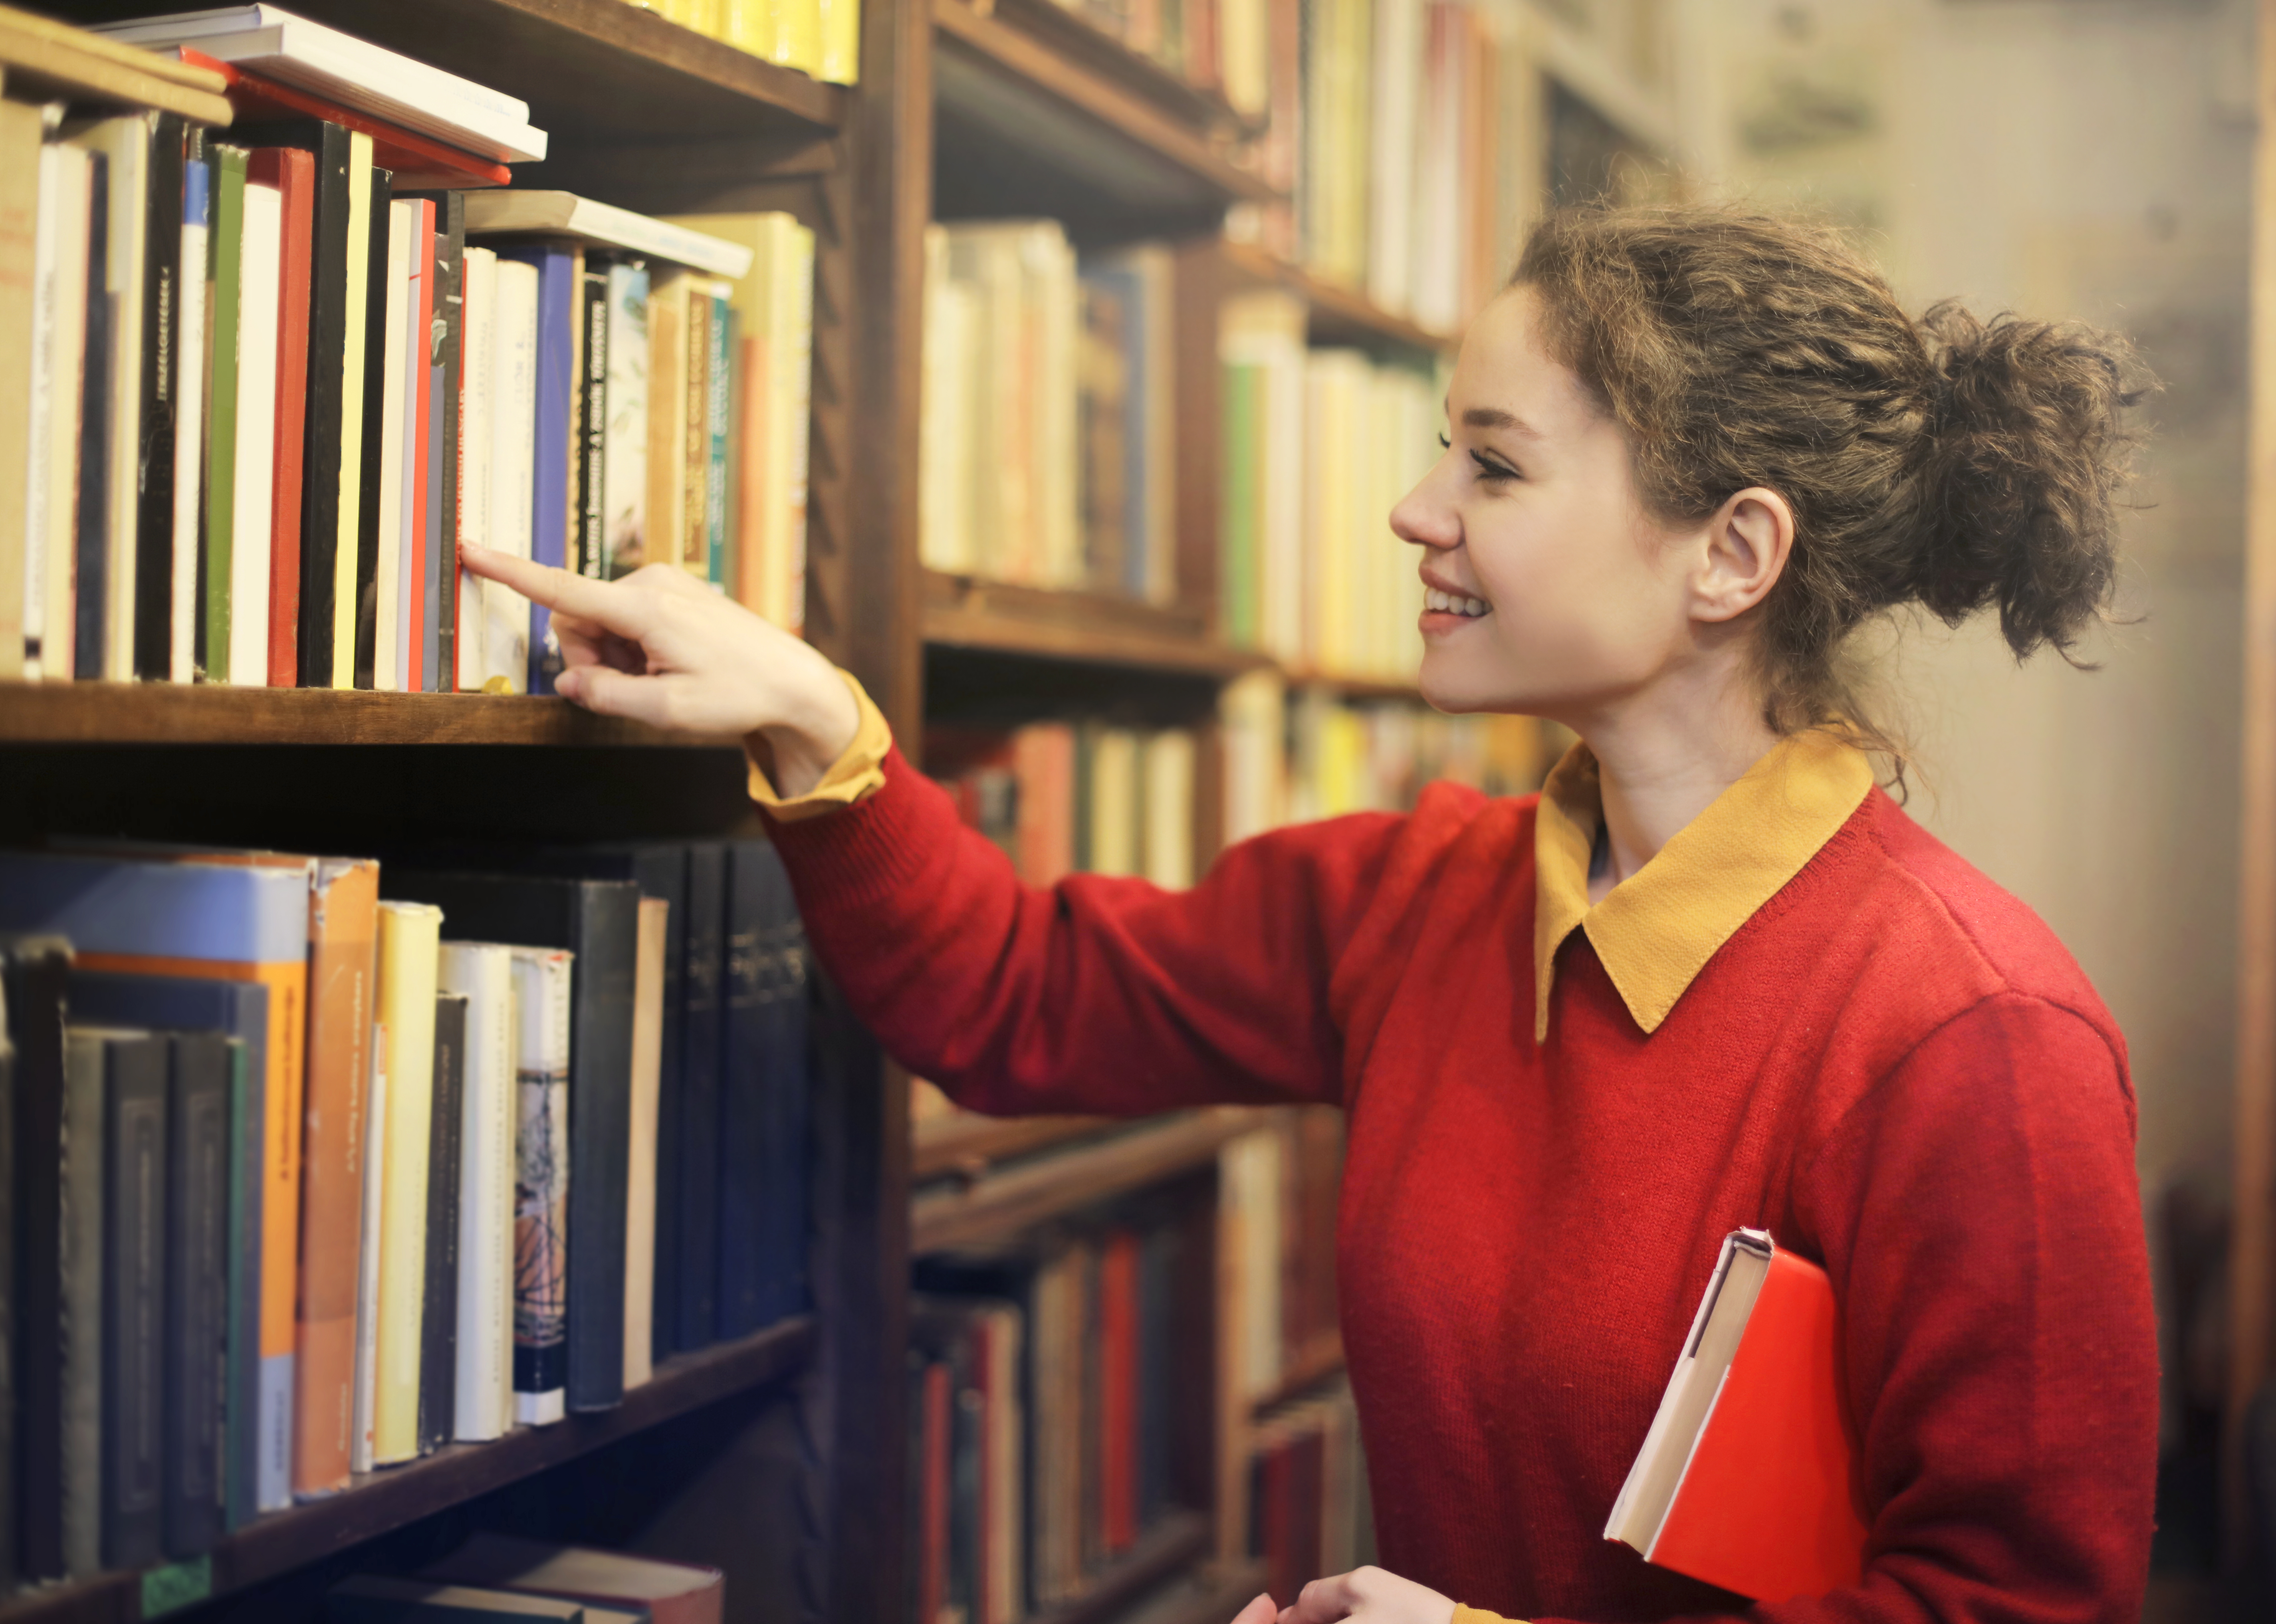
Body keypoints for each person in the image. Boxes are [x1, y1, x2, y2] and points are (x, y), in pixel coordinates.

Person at [462, 203, 2159, 1624]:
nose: (1418, 511)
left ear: (1731, 554)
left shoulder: (1972, 1036)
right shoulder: (1425, 899)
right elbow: (1011, 996)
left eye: (1491, 467)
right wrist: (816, 720)